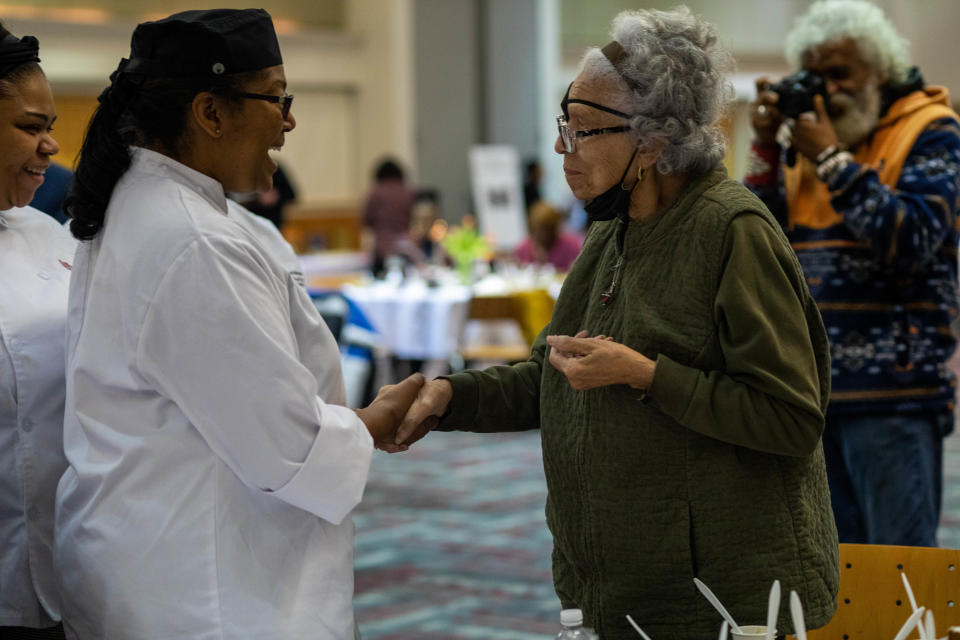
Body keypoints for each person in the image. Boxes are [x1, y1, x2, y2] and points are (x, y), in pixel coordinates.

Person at [393, 7, 838, 639]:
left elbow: (792, 418)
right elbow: (557, 375)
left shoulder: (731, 231)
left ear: (654, 139)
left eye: (580, 130)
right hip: (620, 595)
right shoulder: (610, 233)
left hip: (723, 607)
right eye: (562, 124)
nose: (559, 149)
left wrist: (649, 375)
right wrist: (447, 396)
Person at [57, 10, 421, 639]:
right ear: (211, 113)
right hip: (207, 589)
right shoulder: (192, 239)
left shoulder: (157, 209)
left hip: (157, 557)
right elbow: (287, 446)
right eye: (277, 98)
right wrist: (375, 420)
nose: (290, 120)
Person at [745, 0, 960, 547]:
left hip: (896, 396)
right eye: (814, 76)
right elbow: (758, 248)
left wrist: (834, 161)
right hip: (813, 394)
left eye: (841, 74)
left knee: (903, 577)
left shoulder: (932, 131)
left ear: (880, 72)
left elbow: (910, 239)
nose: (827, 90)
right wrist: (768, 148)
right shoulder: (811, 146)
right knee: (832, 578)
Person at [0, 22, 72, 640]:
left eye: (50, 127)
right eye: (31, 127)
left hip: (70, 564)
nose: (51, 146)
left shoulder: (53, 237)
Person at [362, 157, 415, 277]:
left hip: (381, 249)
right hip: (405, 247)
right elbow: (413, 220)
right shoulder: (407, 193)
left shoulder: (375, 193)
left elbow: (366, 221)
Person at [514, 200, 583, 271]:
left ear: (554, 228)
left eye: (547, 230)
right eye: (538, 231)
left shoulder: (571, 247)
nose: (543, 236)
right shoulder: (523, 249)